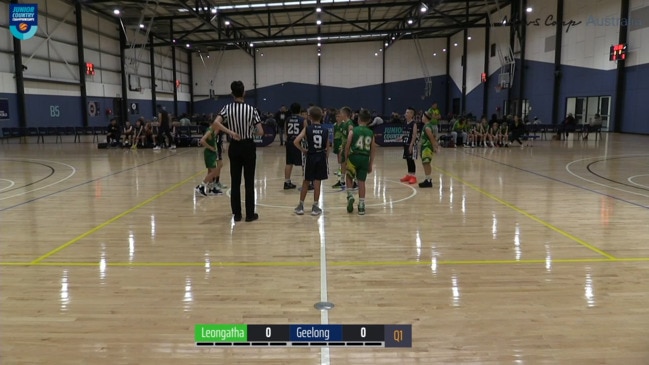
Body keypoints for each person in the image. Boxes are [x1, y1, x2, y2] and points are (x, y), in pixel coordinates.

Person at [211, 80, 263, 222]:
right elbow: (260, 131)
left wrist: (231, 132)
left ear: (232, 93)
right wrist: (250, 132)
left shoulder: (227, 108)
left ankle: (237, 214)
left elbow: (215, 123)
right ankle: (250, 214)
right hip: (248, 146)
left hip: (234, 146)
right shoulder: (251, 110)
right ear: (244, 92)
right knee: (249, 181)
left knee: (235, 181)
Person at [293, 106, 330, 216]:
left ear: (310, 117)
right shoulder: (325, 130)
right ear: (321, 116)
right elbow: (328, 147)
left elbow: (296, 141)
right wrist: (326, 158)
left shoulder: (307, 129)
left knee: (306, 181)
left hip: (310, 156)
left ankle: (300, 206)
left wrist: (303, 150)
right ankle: (315, 207)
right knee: (317, 182)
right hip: (321, 156)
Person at [344, 109, 376, 215]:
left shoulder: (353, 130)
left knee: (349, 177)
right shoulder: (371, 133)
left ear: (358, 119)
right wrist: (370, 164)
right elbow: (373, 150)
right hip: (364, 158)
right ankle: (361, 205)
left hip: (354, 157)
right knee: (361, 182)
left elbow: (347, 146)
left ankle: (350, 196)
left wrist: (345, 159)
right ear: (368, 121)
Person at [195, 125, 225, 196]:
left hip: (212, 154)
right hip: (209, 154)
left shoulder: (212, 131)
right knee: (214, 171)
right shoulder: (209, 130)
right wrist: (210, 148)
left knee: (210, 171)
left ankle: (211, 189)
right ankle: (201, 187)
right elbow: (202, 140)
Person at [282, 103, 306, 189]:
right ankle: (307, 182)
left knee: (289, 163)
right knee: (304, 162)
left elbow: (285, 131)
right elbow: (306, 132)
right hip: (299, 142)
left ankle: (287, 182)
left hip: (289, 142)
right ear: (300, 110)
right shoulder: (302, 120)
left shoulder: (287, 119)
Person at [418, 111, 441, 188]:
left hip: (427, 147)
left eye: (422, 117)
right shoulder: (427, 126)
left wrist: (435, 147)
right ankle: (428, 179)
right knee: (425, 163)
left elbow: (432, 138)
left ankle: (428, 180)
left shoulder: (427, 127)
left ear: (425, 118)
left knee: (426, 163)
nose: (421, 118)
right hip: (425, 146)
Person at [400, 107, 418, 184]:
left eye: (407, 112)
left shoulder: (414, 124)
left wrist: (411, 145)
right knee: (407, 160)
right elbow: (404, 134)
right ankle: (409, 175)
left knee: (411, 160)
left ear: (411, 114)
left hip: (412, 145)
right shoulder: (405, 123)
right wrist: (401, 138)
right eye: (406, 112)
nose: (406, 114)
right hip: (406, 144)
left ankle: (413, 176)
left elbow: (414, 135)